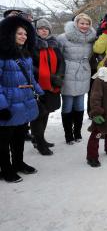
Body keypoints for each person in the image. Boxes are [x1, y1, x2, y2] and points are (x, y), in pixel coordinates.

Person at [0, 15, 43, 183]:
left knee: (19, 136)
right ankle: (6, 169)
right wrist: (1, 106)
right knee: (3, 140)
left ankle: (18, 163)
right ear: (10, 34)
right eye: (19, 34)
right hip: (9, 103)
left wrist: (41, 94)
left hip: (25, 102)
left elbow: (30, 77)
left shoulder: (25, 54)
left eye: (25, 34)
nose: (23, 37)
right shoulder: (2, 55)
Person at [57, 13, 97, 144]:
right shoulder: (63, 38)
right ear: (76, 24)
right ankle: (68, 135)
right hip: (68, 72)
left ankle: (78, 132)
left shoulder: (92, 38)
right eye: (82, 23)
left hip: (84, 71)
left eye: (87, 24)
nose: (84, 26)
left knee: (80, 104)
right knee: (68, 104)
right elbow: (58, 58)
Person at [31, 18, 64, 155]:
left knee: (46, 112)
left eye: (46, 28)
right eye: (41, 28)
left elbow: (62, 62)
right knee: (38, 114)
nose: (44, 30)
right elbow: (31, 66)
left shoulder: (54, 45)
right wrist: (49, 77)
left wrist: (59, 76)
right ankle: (38, 142)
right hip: (38, 84)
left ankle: (40, 138)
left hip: (53, 84)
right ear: (36, 30)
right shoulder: (31, 45)